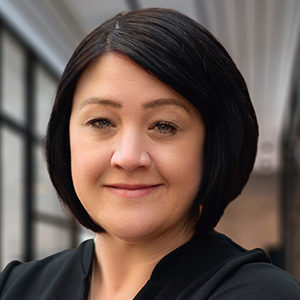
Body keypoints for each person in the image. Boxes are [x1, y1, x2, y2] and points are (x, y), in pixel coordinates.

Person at [1, 7, 300, 300]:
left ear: (213, 146)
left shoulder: (261, 293)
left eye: (164, 126)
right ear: (65, 139)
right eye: (101, 122)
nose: (129, 157)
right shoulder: (15, 287)